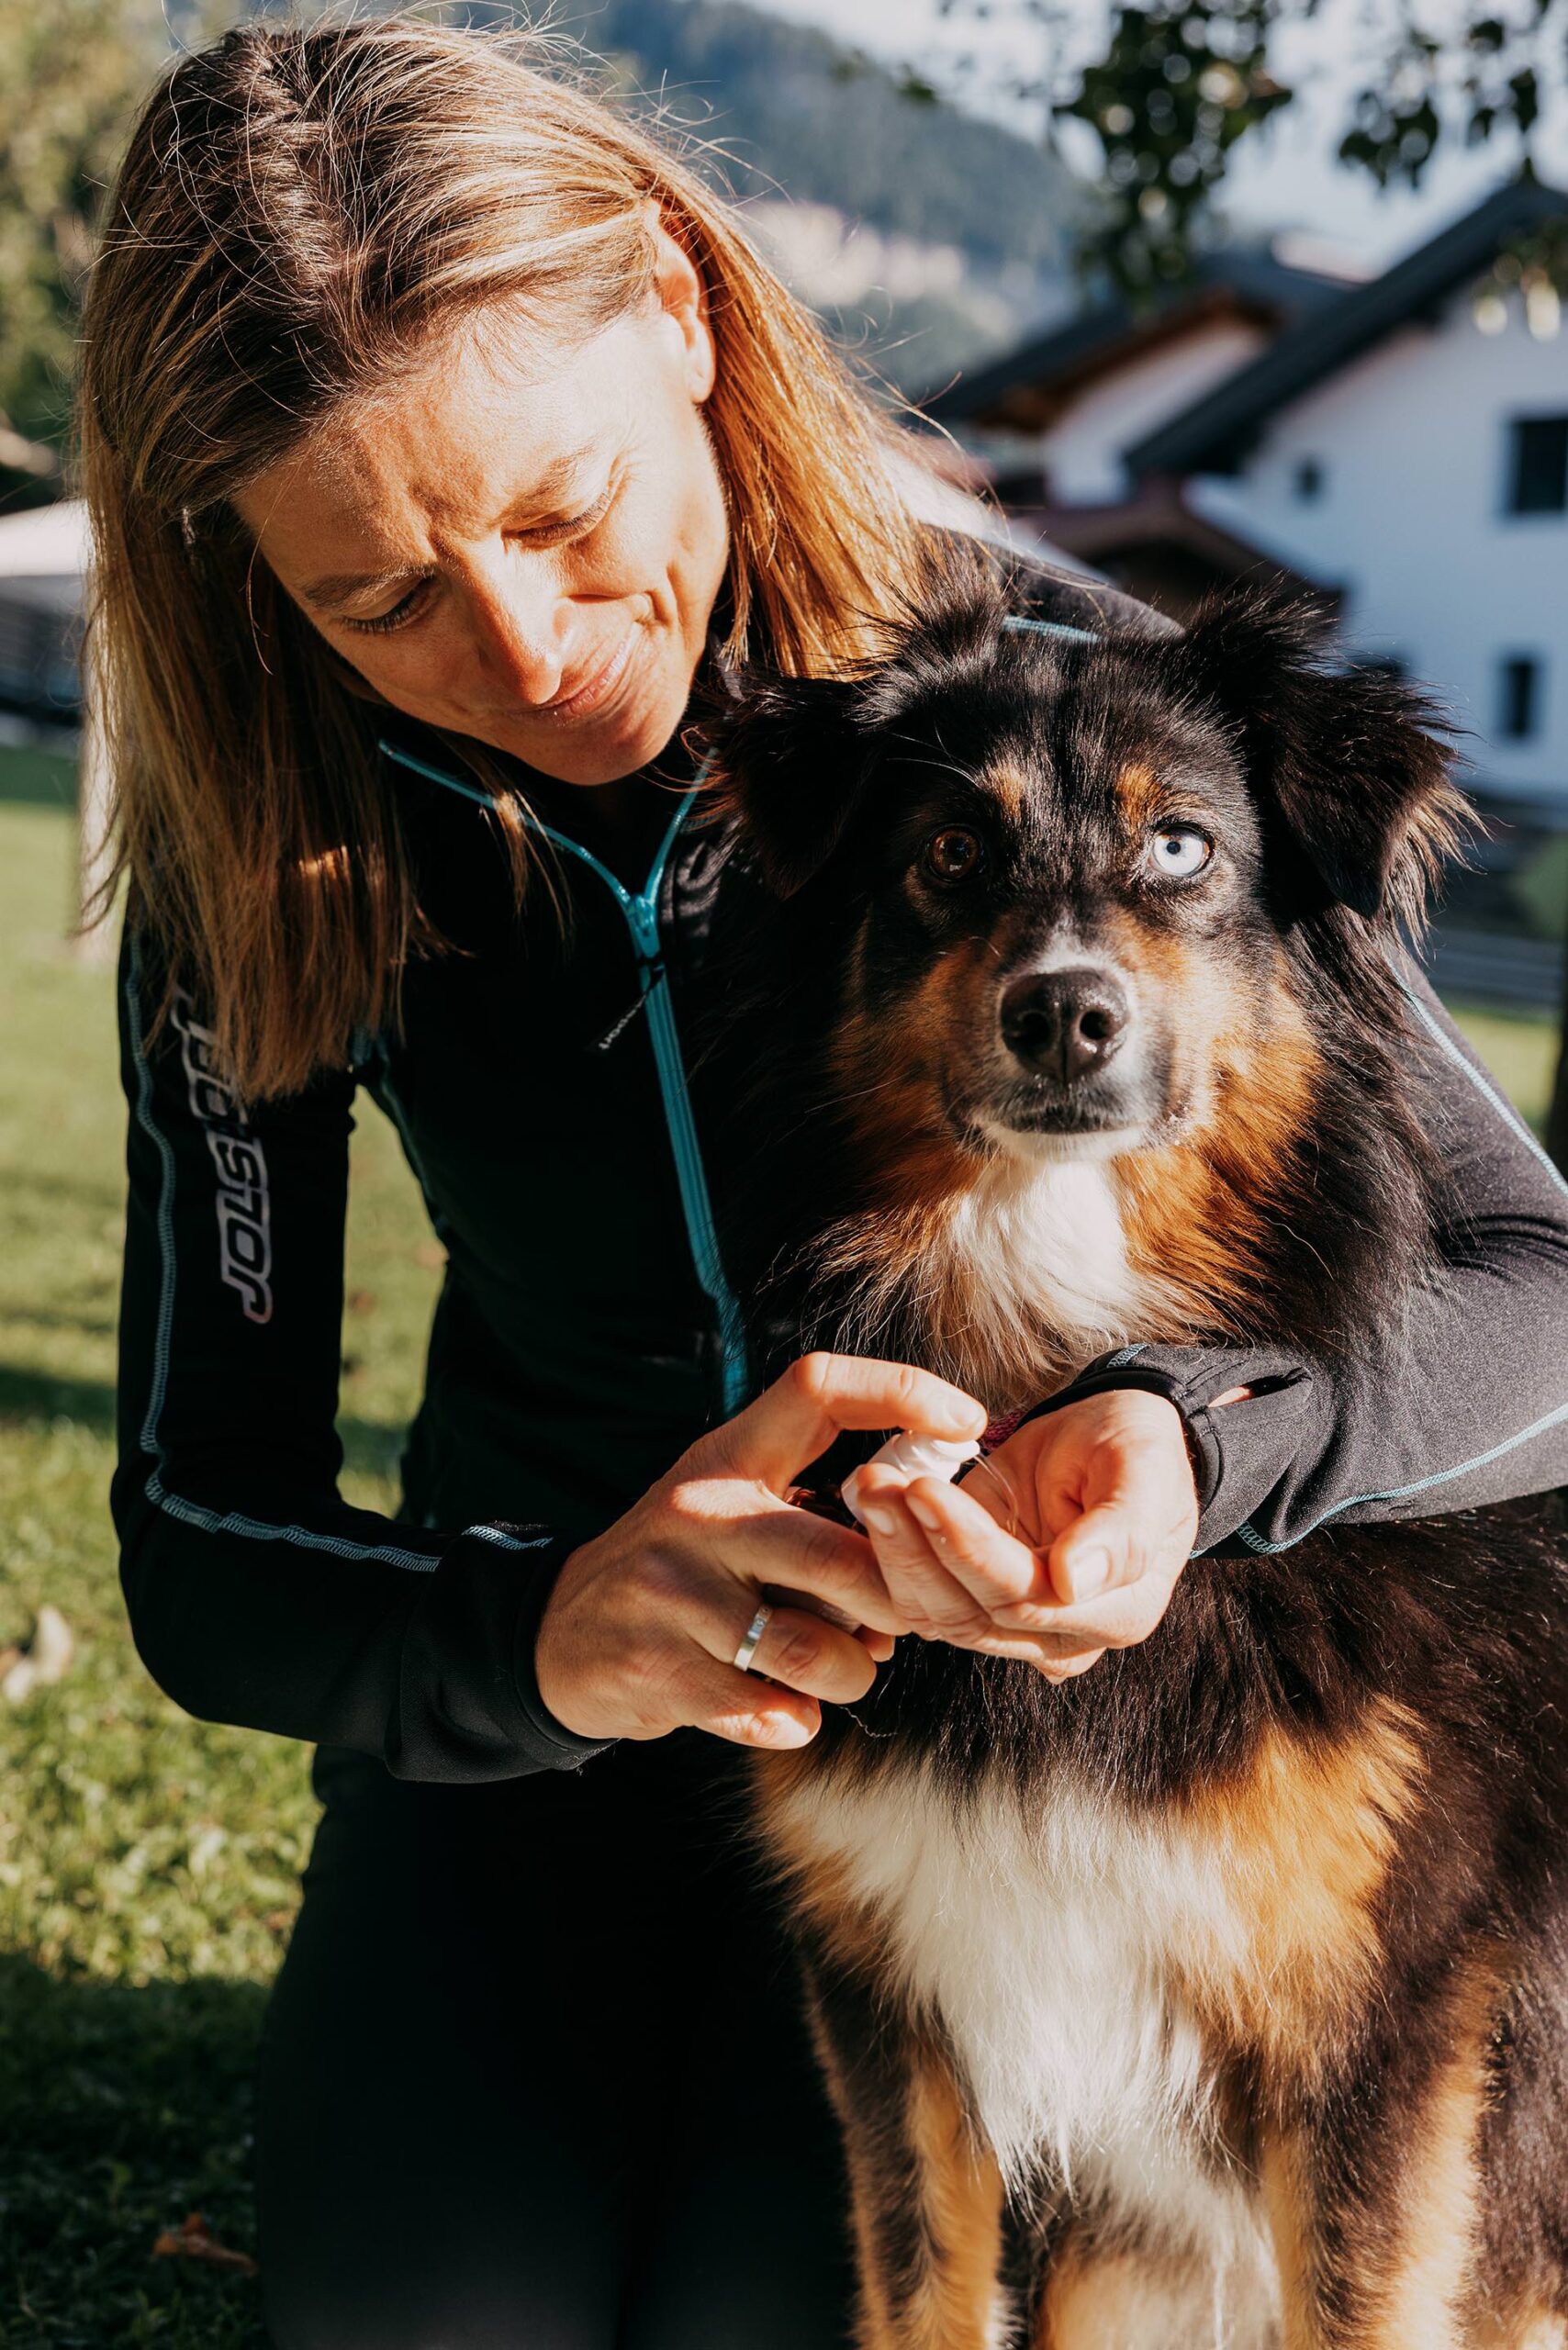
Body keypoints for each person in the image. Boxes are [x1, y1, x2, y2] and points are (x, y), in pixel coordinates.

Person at [84, 18, 1568, 2349]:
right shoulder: (264, 860)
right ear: (252, 579)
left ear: (677, 302)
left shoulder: (1059, 719)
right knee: (424, 2322)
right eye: (380, 597)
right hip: (531, 1733)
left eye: (563, 512)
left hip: (995, 1752)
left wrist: (1205, 1441)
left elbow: (1538, 1280)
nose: (524, 646)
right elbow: (198, 1536)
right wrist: (540, 1629)